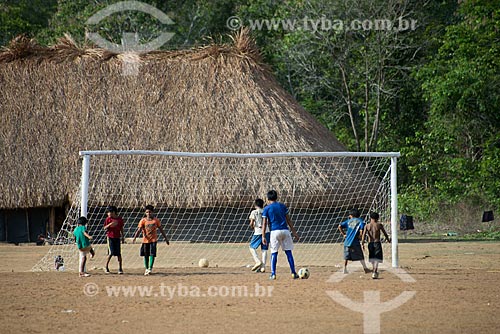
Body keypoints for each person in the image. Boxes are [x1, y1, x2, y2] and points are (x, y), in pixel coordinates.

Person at [261, 190, 300, 280]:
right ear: (277, 197)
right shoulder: (282, 206)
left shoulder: (267, 208)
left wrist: (263, 236)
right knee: (288, 252)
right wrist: (294, 232)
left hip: (275, 232)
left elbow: (264, 224)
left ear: (268, 198)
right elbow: (288, 220)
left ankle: (273, 274)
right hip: (285, 230)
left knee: (274, 253)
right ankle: (293, 273)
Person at [133, 205, 169, 275]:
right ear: (145, 213)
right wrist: (135, 237)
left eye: (150, 212)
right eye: (147, 212)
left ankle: (150, 268)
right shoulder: (143, 221)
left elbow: (161, 229)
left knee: (152, 254)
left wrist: (166, 238)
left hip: (153, 240)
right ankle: (146, 268)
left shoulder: (156, 220)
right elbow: (139, 230)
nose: (148, 213)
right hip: (145, 240)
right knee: (146, 255)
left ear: (152, 212)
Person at [338, 209, 370, 274]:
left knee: (346, 256)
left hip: (347, 242)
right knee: (360, 255)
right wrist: (360, 237)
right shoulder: (361, 221)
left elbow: (339, 226)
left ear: (351, 215)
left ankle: (344, 269)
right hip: (355, 242)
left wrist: (344, 234)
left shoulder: (348, 221)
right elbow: (361, 230)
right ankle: (365, 268)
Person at [362, 212, 391, 279]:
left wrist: (362, 243)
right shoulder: (379, 225)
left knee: (372, 257)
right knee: (377, 257)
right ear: (377, 218)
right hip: (377, 242)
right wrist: (388, 240)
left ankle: (374, 270)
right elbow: (385, 233)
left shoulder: (367, 225)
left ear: (370, 218)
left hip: (370, 243)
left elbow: (363, 235)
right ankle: (375, 271)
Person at [248, 198, 270, 273]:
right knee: (264, 249)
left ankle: (257, 261)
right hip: (266, 232)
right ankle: (263, 267)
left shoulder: (254, 212)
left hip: (258, 232)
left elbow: (251, 223)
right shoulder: (265, 211)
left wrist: (252, 226)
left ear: (255, 205)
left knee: (251, 247)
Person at [103, 205, 125, 274]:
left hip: (117, 237)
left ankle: (120, 268)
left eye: (109, 212)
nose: (108, 214)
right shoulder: (108, 219)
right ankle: (106, 267)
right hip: (110, 237)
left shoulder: (119, 219)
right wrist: (110, 225)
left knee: (118, 254)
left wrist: (122, 236)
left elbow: (121, 228)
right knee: (111, 252)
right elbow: (104, 228)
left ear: (114, 212)